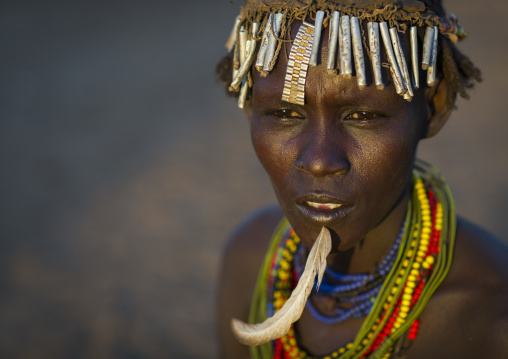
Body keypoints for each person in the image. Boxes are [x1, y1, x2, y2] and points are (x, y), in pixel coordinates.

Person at [216, 0, 508, 358]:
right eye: (284, 113)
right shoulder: (250, 258)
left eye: (362, 115)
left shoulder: (491, 319)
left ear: (434, 105)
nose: (320, 162)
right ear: (249, 108)